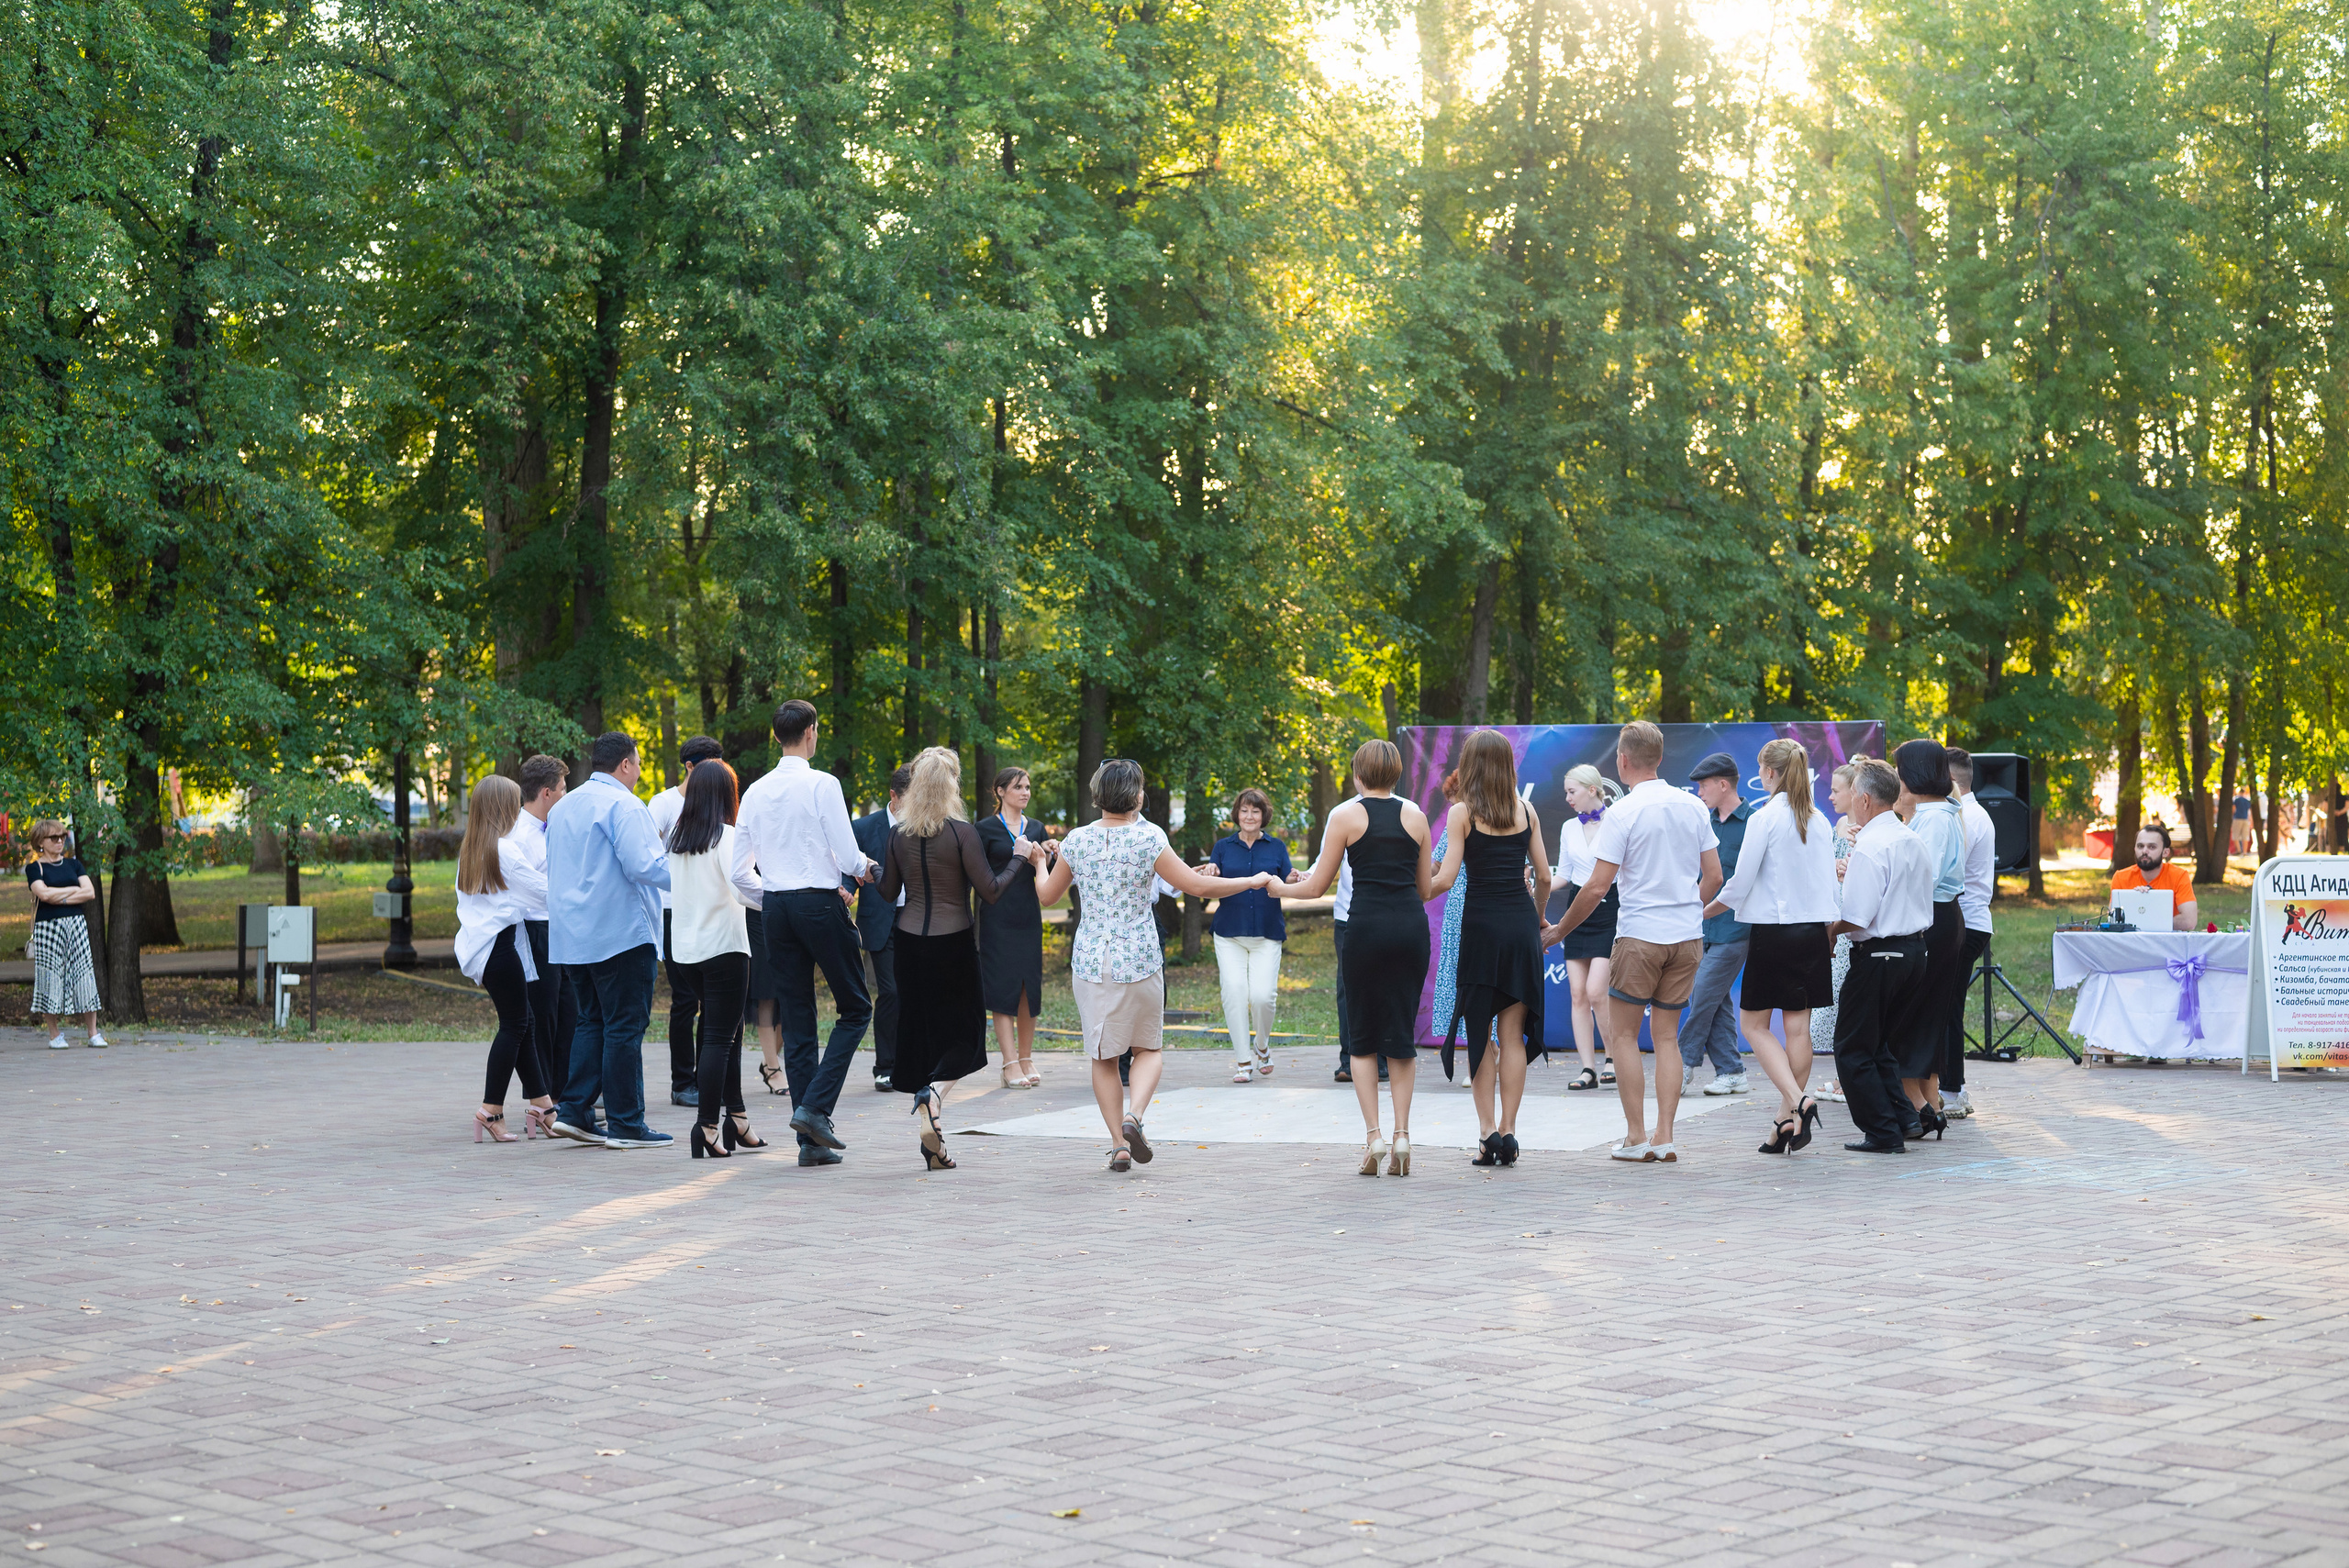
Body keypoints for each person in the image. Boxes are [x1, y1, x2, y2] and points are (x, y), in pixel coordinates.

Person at [1030, 760, 1274, 1172]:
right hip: (1140, 958)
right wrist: (1249, 882)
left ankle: (1117, 1145)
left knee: (1104, 1057)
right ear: (1137, 797)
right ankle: (1134, 1117)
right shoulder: (1148, 838)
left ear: (1097, 796)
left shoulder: (1076, 841)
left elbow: (1047, 896)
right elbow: (1195, 886)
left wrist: (1039, 863)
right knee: (1149, 1048)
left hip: (1092, 962)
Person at [1543, 720, 1722, 1164]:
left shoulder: (1621, 812)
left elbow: (1596, 886)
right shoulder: (1693, 806)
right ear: (1661, 758)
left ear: (1622, 762)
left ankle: (1636, 1137)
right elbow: (1716, 877)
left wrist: (1559, 930)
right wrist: (1685, 912)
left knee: (1622, 1036)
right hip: (1687, 939)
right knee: (1666, 1038)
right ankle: (1665, 1137)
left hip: (1640, 935)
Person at [879, 748, 1045, 1169]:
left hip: (908, 945)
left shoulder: (898, 834)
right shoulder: (960, 833)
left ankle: (934, 1137)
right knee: (967, 1036)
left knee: (921, 1036)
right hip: (951, 945)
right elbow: (989, 890)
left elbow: (886, 893)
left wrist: (868, 871)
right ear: (950, 784)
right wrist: (1020, 857)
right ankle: (934, 1096)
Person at [1271, 740, 1431, 1173]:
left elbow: (1316, 886)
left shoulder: (1345, 815)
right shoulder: (1416, 815)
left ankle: (1374, 1137)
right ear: (1396, 773)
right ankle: (1402, 1136)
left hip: (1365, 929)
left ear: (1358, 775)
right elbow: (1424, 888)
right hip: (1410, 930)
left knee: (1361, 1038)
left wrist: (1277, 888)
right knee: (1400, 1037)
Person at [737, 700, 878, 1166]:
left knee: (796, 1017)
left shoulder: (755, 791)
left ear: (777, 736)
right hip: (819, 902)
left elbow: (740, 873)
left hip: (775, 907)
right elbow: (847, 852)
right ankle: (815, 1109)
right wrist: (866, 870)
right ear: (811, 732)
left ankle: (810, 1145)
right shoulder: (822, 783)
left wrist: (775, 898)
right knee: (856, 1008)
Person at [1426, 730, 1552, 1166]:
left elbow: (1444, 878)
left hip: (1479, 929)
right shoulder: (1527, 811)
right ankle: (1511, 1130)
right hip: (1519, 927)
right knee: (1512, 1035)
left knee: (1480, 1035)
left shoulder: (1463, 813)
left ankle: (1487, 1134)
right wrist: (1536, 919)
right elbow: (1546, 877)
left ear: (1472, 766)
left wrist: (1410, 893)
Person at [1705, 739, 1837, 1153]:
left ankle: (1798, 1102)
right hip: (1813, 932)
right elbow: (1829, 885)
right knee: (1798, 1029)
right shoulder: (1820, 820)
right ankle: (1786, 1119)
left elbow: (1739, 883)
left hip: (1774, 932)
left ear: (1770, 773)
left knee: (1753, 1026)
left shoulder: (1764, 818)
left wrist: (1702, 913)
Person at [546, 731, 674, 1150]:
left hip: (573, 934)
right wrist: (691, 877)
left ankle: (575, 1111)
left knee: (592, 1020)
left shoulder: (564, 806)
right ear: (624, 765)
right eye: (637, 764)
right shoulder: (624, 804)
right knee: (623, 1025)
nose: (638, 773)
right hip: (620, 931)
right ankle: (625, 1123)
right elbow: (644, 865)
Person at [1826, 758, 1935, 1152]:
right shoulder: (1911, 837)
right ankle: (1906, 1118)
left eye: (1853, 794)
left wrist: (1830, 932)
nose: (1852, 802)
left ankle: (1882, 1130)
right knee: (1880, 1044)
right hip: (1914, 951)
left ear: (1866, 800)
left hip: (1879, 954)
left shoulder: (1871, 844)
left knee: (1852, 1047)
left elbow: (1856, 916)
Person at [662, 758, 771, 1158]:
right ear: (727, 794)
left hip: (687, 952)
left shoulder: (678, 839)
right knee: (719, 1038)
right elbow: (743, 888)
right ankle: (707, 1126)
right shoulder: (726, 837)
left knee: (727, 1031)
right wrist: (777, 898)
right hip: (724, 949)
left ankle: (736, 1118)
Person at [455, 776, 546, 1143]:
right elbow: (543, 892)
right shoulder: (505, 850)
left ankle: (543, 1105)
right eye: (513, 803)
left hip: (485, 948)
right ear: (502, 808)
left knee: (524, 1021)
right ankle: (491, 1109)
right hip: (501, 948)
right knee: (515, 1025)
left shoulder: (472, 848)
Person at [649, 735, 727, 1108]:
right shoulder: (663, 804)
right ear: (690, 767)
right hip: (673, 910)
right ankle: (683, 1082)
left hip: (713, 909)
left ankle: (710, 1076)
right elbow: (648, 857)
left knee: (714, 1000)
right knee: (684, 999)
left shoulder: (721, 805)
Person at [1894, 739, 1964, 1139]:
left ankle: (1919, 1108)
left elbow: (1925, 876)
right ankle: (1926, 1102)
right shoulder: (1935, 813)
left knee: (1914, 1015)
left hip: (1931, 918)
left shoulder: (1935, 818)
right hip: (1938, 916)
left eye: (1900, 768)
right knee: (1923, 1014)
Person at [1205, 788, 1295, 1084]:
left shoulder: (1277, 847)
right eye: (1244, 810)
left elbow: (1289, 881)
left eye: (1255, 811)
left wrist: (1294, 879)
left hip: (1267, 934)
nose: (1249, 816)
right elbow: (1212, 878)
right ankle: (1244, 1061)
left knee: (1262, 997)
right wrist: (1211, 870)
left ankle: (1262, 1046)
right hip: (1229, 933)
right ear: (1237, 814)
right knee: (1233, 993)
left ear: (1263, 815)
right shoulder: (1223, 847)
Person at [1680, 752, 1753, 1096]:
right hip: (1700, 926)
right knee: (1714, 998)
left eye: (1704, 786)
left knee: (1701, 992)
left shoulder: (1756, 821)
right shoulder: (1701, 820)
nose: (1699, 792)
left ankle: (1682, 1062)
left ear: (1723, 785)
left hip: (1737, 927)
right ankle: (1731, 1071)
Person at [978, 766, 1051, 1088]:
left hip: (1028, 918)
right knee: (1003, 989)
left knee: (1028, 988)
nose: (1025, 792)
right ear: (1000, 791)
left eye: (1028, 787)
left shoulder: (1036, 827)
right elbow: (979, 878)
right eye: (1018, 787)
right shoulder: (984, 829)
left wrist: (1051, 854)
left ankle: (1026, 1057)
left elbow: (1046, 875)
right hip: (997, 919)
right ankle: (1008, 1062)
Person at [513, 755, 573, 1137]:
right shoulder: (519, 836)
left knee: (570, 1012)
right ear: (547, 793)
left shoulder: (555, 827)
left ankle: (563, 1096)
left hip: (562, 929)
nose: (567, 795)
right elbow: (526, 891)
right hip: (536, 931)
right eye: (564, 789)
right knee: (544, 1015)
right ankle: (544, 1101)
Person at [1552, 765, 1620, 1093]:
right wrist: (1535, 885)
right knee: (1578, 994)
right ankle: (1587, 1068)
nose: (1567, 798)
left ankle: (1613, 1057)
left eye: (1572, 791)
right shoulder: (1568, 828)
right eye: (1566, 792)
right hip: (1577, 909)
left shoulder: (1617, 821)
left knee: (1596, 991)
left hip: (1611, 907)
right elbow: (1564, 875)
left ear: (1593, 790)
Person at [1809, 757, 1869, 1106]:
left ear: (1855, 792)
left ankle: (1849, 1076)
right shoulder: (1837, 827)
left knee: (1848, 997)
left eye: (1835, 790)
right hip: (1840, 919)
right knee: (1837, 998)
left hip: (1853, 923)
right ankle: (1844, 1073)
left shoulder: (1865, 830)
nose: (1829, 797)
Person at [850, 766, 912, 1091]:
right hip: (880, 921)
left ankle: (912, 1061)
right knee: (890, 991)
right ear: (893, 796)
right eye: (908, 799)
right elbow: (848, 866)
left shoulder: (924, 824)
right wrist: (846, 888)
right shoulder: (863, 827)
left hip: (917, 918)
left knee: (915, 991)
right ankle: (885, 1066)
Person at [1944, 748, 1996, 1120]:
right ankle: (1952, 1087)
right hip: (1970, 922)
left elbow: (1949, 872)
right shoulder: (1966, 813)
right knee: (1947, 1008)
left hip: (1966, 923)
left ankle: (1951, 1090)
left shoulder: (1967, 816)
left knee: (1946, 1009)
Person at [22, 819, 103, 1050]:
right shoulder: (35, 868)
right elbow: (43, 894)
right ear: (40, 842)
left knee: (84, 974)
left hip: (76, 924)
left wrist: (61, 896)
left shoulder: (74, 865)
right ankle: (55, 1035)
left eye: (62, 836)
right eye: (53, 838)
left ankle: (93, 1033)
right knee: (50, 976)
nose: (60, 841)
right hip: (48, 928)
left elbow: (90, 892)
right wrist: (73, 892)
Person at [2111, 825, 2199, 930]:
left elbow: (2189, 921)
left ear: (2165, 852)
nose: (2144, 851)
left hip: (2168, 942)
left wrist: (2143, 921)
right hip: (2130, 943)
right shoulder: (2120, 877)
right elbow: (2113, 920)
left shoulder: (2179, 876)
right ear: (2134, 849)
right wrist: (2136, 898)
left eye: (2152, 847)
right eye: (2140, 846)